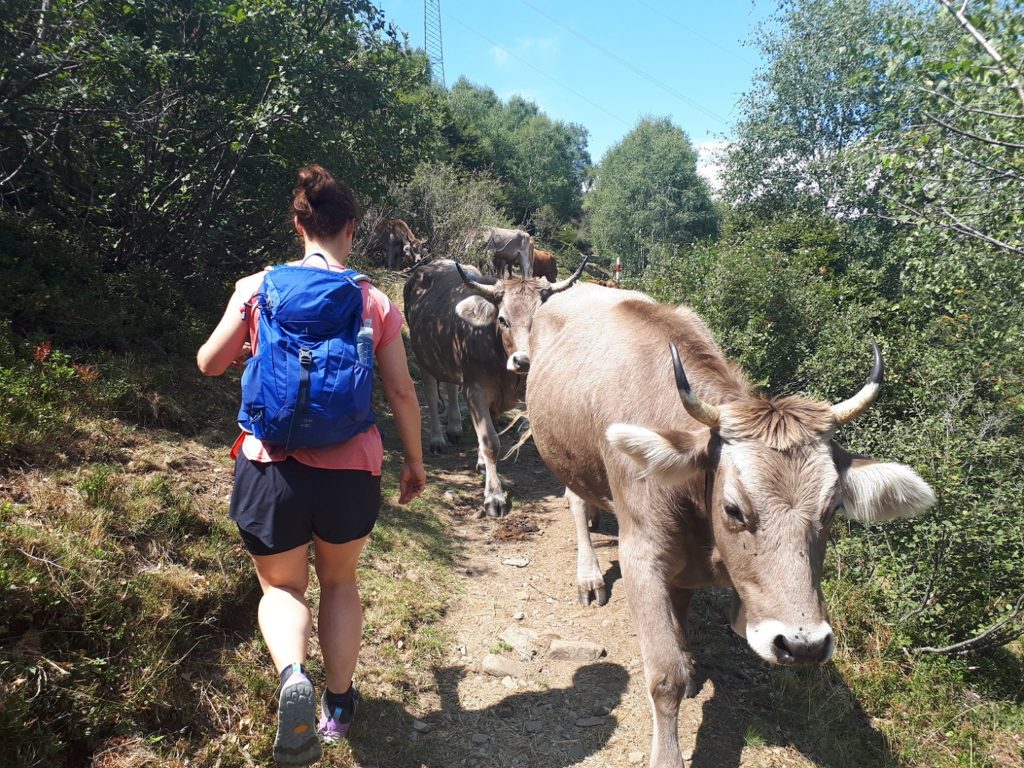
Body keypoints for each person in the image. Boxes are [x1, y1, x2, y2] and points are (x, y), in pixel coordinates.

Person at [197, 164, 426, 766]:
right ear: (351, 228)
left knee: (281, 585)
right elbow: (402, 392)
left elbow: (208, 364)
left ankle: (293, 674)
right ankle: (339, 703)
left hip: (269, 466)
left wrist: (252, 341)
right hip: (350, 471)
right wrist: (415, 463)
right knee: (341, 581)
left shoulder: (257, 287)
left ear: (299, 224)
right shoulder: (373, 299)